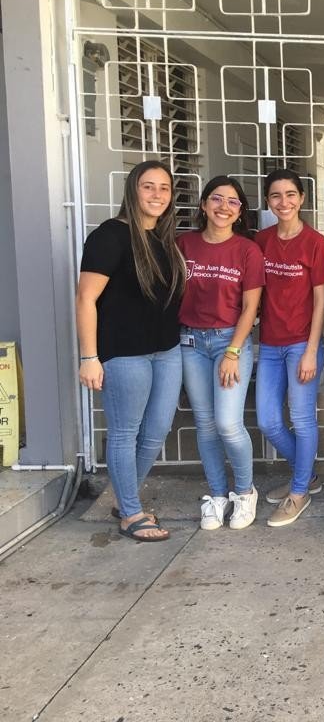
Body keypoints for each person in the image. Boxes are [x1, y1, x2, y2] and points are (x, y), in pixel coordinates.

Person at [76, 161, 186, 542]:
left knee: (157, 430)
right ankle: (130, 513)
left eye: (164, 188)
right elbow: (85, 299)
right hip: (125, 353)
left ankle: (124, 500)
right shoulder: (109, 236)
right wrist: (89, 357)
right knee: (125, 432)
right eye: (148, 186)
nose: (157, 194)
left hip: (166, 350)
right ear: (132, 190)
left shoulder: (163, 239)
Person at [178, 176, 265, 530]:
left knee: (228, 423)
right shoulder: (184, 244)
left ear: (240, 211)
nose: (223, 207)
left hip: (230, 340)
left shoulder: (247, 250)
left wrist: (232, 351)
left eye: (232, 202)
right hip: (190, 342)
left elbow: (251, 307)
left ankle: (244, 492)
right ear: (203, 205)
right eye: (216, 199)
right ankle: (217, 495)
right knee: (205, 424)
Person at [254, 169, 324, 527]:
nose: (283, 202)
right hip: (270, 344)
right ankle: (307, 473)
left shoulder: (315, 243)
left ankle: (299, 492)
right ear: (267, 201)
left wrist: (311, 351)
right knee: (268, 420)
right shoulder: (261, 240)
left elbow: (321, 301)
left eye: (290, 195)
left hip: (302, 343)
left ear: (301, 198)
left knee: (301, 420)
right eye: (275, 195)